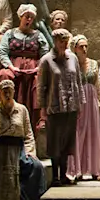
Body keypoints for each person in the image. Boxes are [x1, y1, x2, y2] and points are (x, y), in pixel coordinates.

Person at [0, 78, 46, 200]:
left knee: (36, 167)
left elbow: (28, 133)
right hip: (2, 149)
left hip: (19, 148)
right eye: (4, 92)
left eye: (9, 92)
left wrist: (30, 151)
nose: (7, 95)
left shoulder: (22, 109)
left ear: (14, 92)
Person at [36, 27, 84, 186]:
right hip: (54, 106)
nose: (64, 44)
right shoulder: (46, 60)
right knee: (55, 142)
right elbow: (41, 85)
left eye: (66, 41)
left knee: (67, 141)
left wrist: (80, 103)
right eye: (61, 41)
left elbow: (78, 81)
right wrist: (42, 107)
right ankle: (55, 176)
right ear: (55, 42)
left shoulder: (73, 58)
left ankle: (64, 174)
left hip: (71, 106)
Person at [0, 4, 49, 117]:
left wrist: (38, 68)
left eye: (31, 18)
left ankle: (37, 117)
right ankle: (5, 110)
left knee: (38, 80)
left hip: (33, 67)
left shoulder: (38, 35)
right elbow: (3, 53)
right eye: (27, 17)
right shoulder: (10, 34)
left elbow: (45, 54)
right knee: (4, 75)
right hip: (13, 66)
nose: (29, 20)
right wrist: (11, 67)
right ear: (21, 17)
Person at [66, 34, 100, 181]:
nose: (84, 49)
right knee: (78, 133)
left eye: (86, 46)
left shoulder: (93, 63)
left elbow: (97, 83)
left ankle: (95, 169)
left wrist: (99, 101)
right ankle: (76, 170)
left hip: (91, 99)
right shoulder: (71, 64)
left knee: (93, 134)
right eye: (81, 46)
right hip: (79, 100)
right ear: (75, 48)